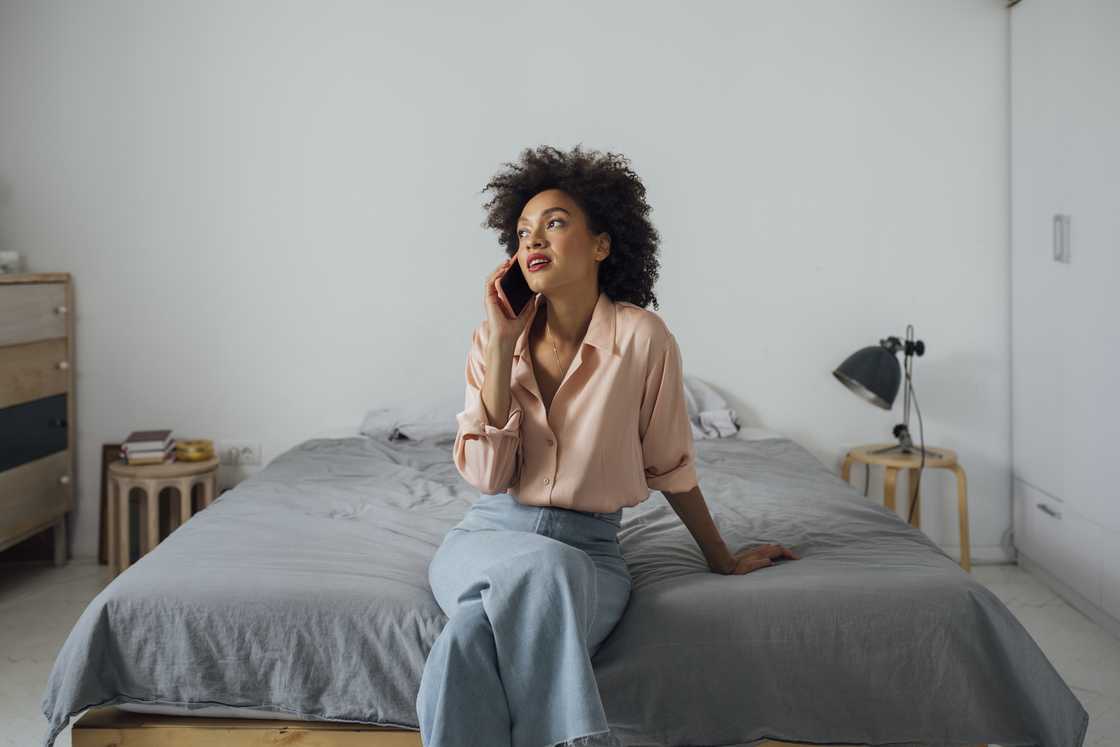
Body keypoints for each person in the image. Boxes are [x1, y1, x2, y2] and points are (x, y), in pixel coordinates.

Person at [416, 144, 799, 747]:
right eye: (523, 231)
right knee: (544, 568)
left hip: (589, 556)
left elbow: (669, 464)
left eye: (555, 223)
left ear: (601, 245)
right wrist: (500, 346)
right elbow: (488, 477)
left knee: (469, 636)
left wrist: (720, 557)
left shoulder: (643, 338)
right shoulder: (492, 341)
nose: (533, 240)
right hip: (486, 540)